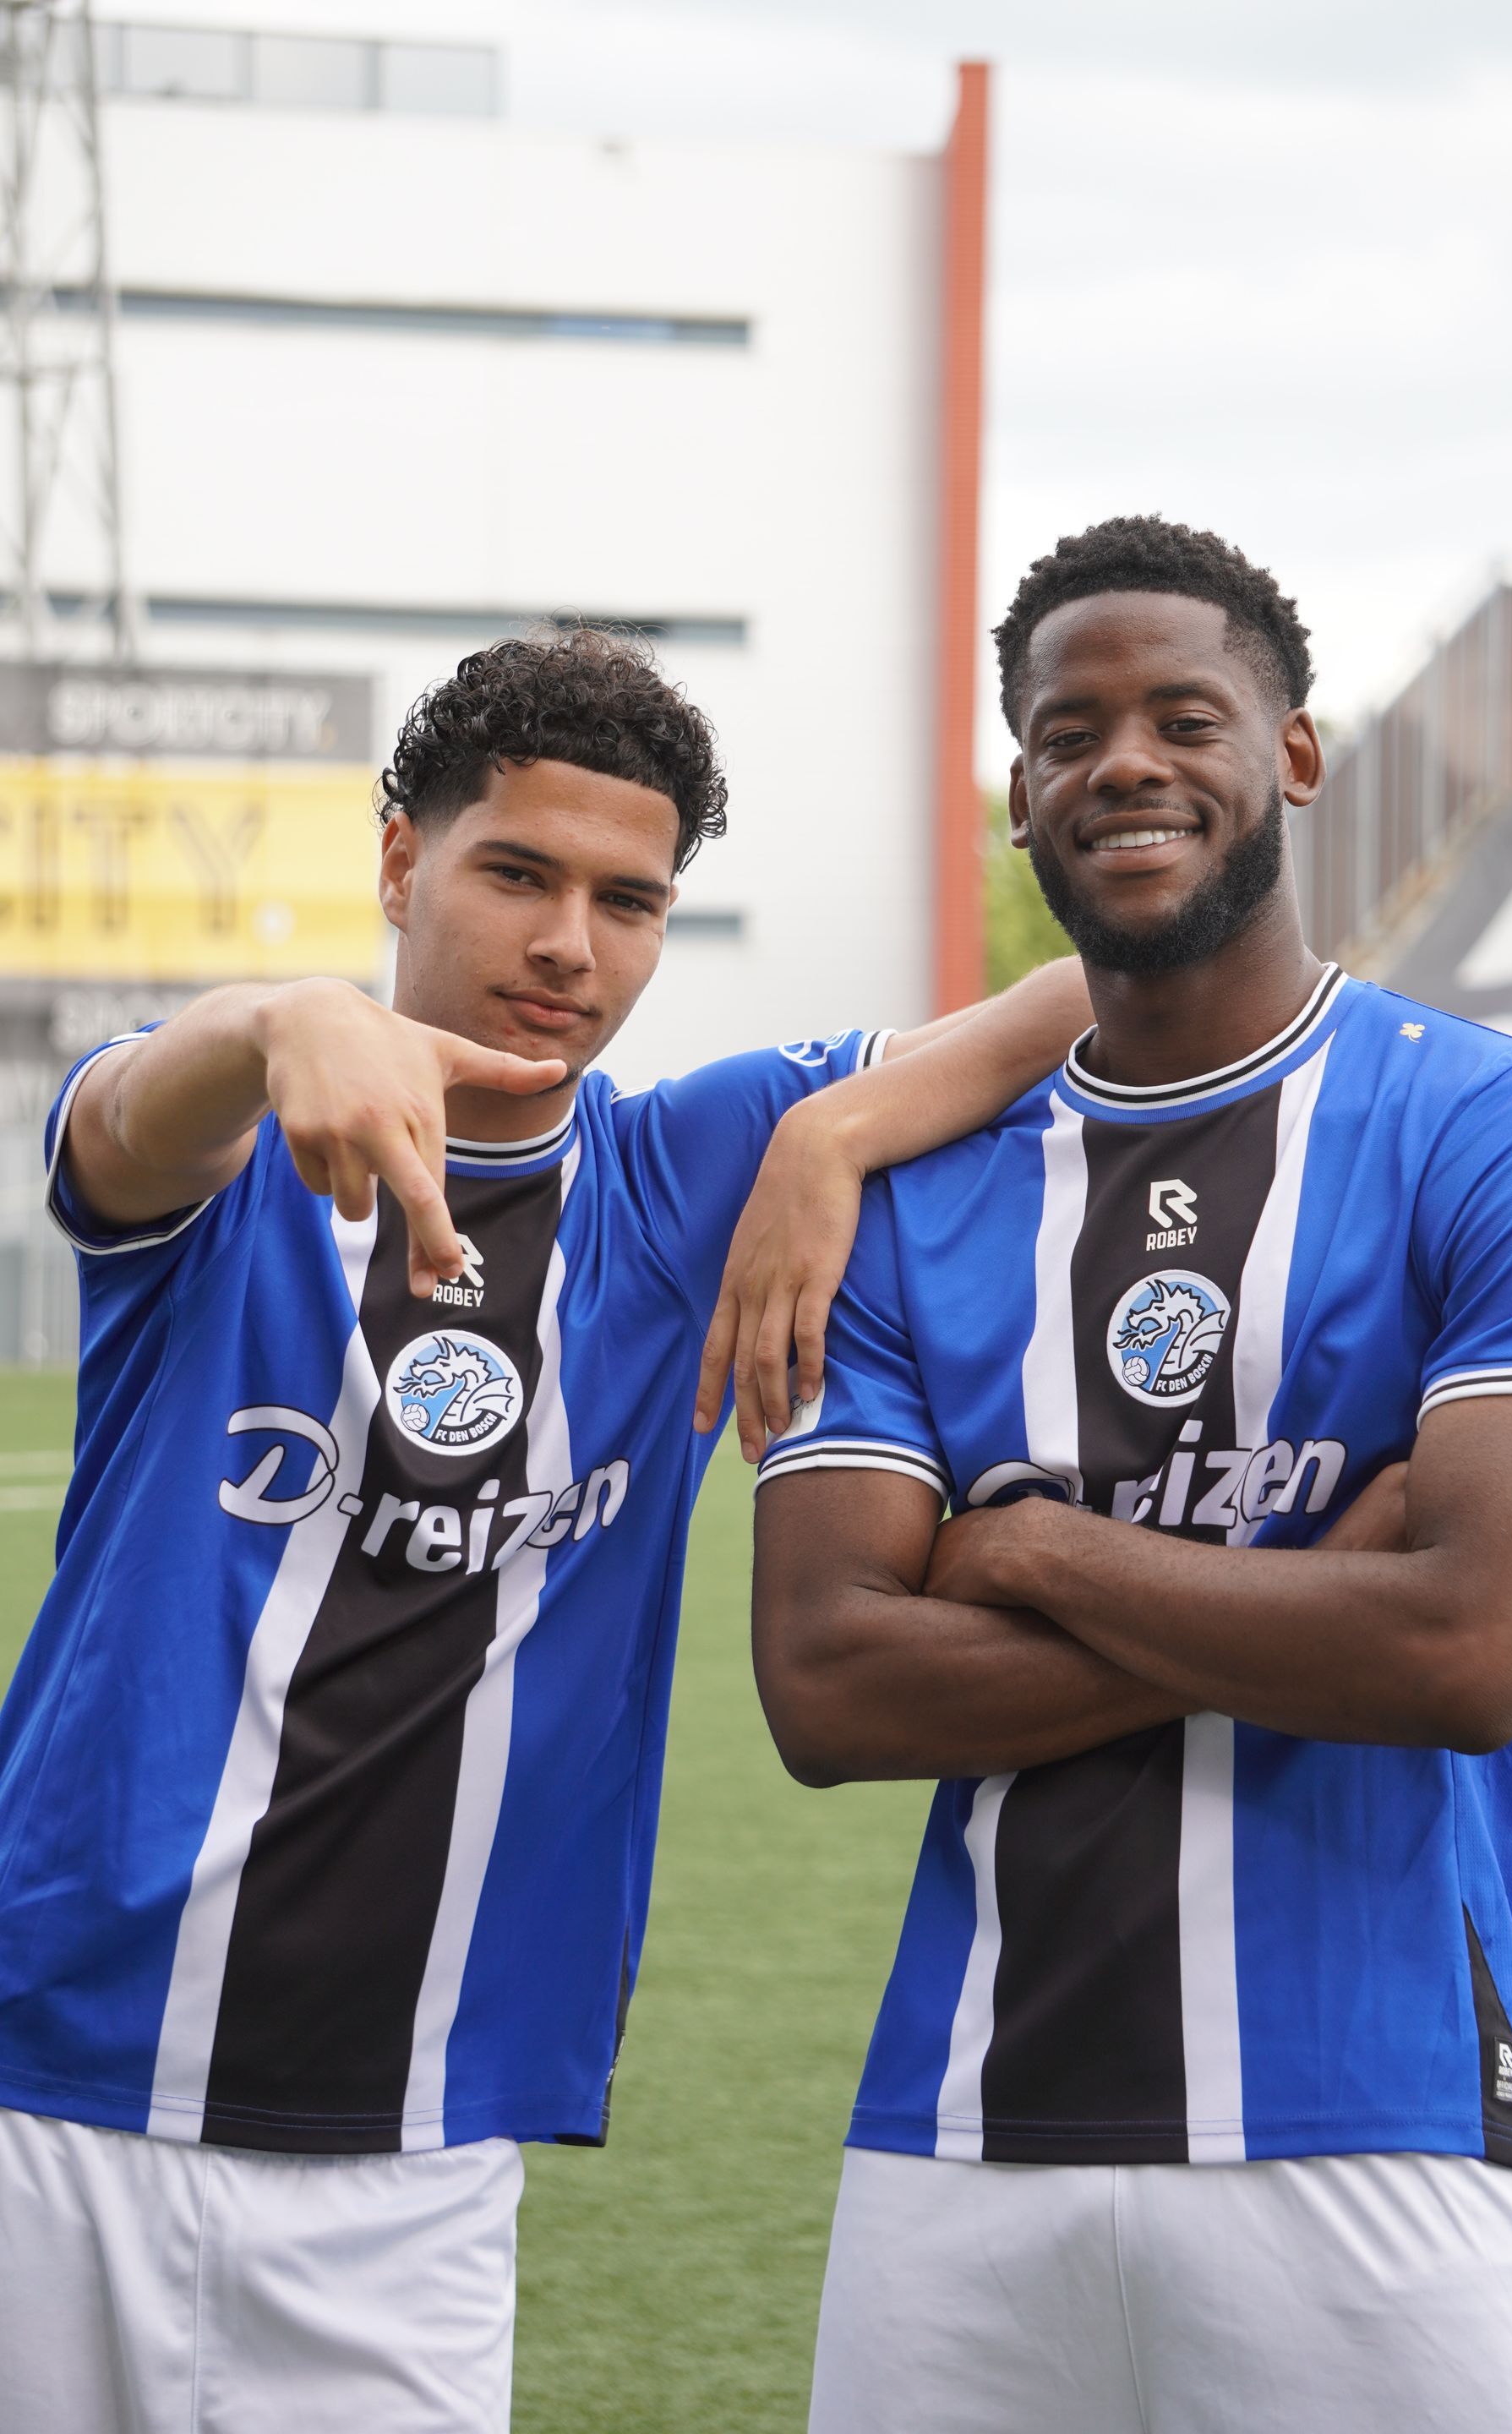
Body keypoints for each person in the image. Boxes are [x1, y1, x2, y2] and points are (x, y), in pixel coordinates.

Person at [0, 628, 1094, 2433]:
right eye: (517, 873)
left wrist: (829, 1139)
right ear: (398, 861)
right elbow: (122, 1119)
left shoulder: (677, 1177)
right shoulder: (228, 1143)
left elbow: (1080, 999)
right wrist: (280, 1018)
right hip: (46, 2087)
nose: (572, 944)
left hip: (420, 2145)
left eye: (628, 901)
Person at [751, 517, 1512, 2433]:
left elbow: (1473, 1651)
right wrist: (1324, 1584)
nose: (1124, 764)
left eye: (1184, 717)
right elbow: (827, 1686)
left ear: (1293, 753)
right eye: (1068, 735)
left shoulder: (1508, 1132)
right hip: (961, 2150)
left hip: (1385, 2135)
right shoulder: (908, 1201)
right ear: (1021, 797)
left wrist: (1034, 1553)